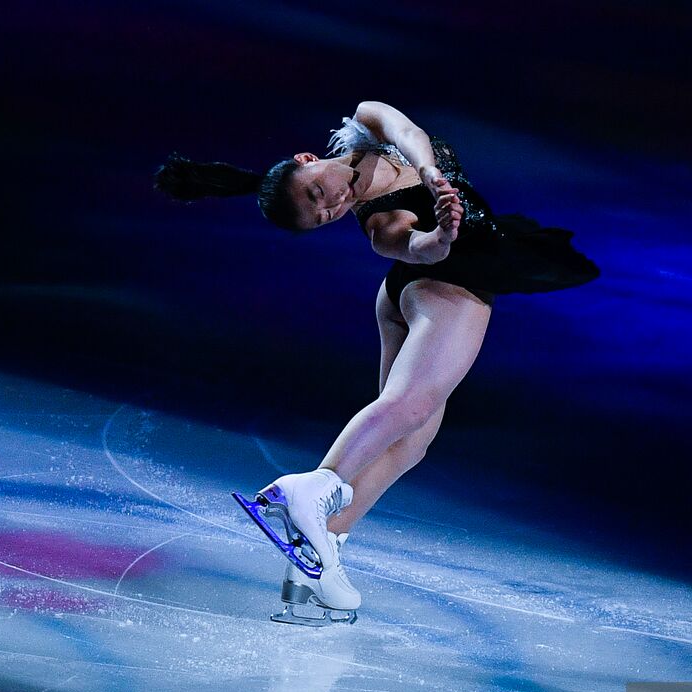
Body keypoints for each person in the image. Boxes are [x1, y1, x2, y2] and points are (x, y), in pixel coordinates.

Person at [154, 101, 599, 624]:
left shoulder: (366, 121)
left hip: (408, 297)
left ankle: (316, 556)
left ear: (308, 158)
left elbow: (406, 130)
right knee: (409, 406)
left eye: (319, 193)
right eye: (324, 215)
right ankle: (315, 484)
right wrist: (442, 238)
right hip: (442, 287)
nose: (334, 204)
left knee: (409, 442)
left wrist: (431, 175)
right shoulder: (379, 222)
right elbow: (416, 247)